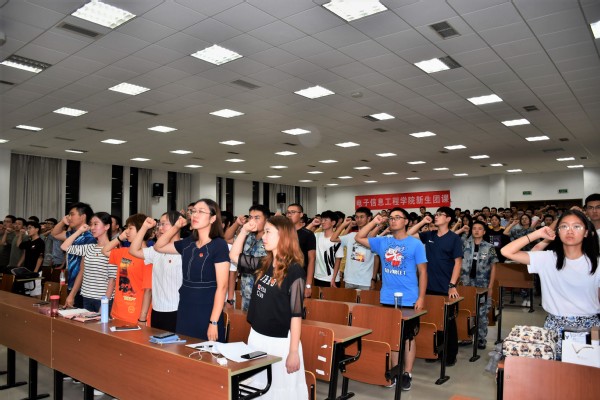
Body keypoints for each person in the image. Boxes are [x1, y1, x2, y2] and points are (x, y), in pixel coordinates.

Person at [501, 209, 600, 360]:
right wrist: (537, 234)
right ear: (558, 232)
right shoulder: (547, 259)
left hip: (589, 327)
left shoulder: (596, 263)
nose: (570, 231)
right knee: (555, 373)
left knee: (586, 373)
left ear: (586, 232)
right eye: (564, 226)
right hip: (555, 327)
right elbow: (507, 251)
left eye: (577, 226)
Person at [229, 216, 307, 399]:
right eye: (264, 232)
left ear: (283, 236)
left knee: (278, 390)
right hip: (258, 335)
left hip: (280, 341)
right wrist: (244, 230)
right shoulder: (264, 263)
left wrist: (293, 352)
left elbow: (296, 314)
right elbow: (233, 256)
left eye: (268, 232)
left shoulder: (295, 271)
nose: (263, 236)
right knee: (257, 387)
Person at [355, 207, 427, 391]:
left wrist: (421, 297)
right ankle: (395, 371)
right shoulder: (383, 241)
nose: (393, 220)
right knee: (392, 336)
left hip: (409, 298)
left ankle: (407, 373)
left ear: (406, 222)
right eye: (391, 218)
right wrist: (375, 221)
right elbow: (359, 237)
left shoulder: (416, 244)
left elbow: (423, 272)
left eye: (397, 217)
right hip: (387, 297)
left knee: (408, 337)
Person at [154, 199, 229, 341]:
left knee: (207, 351)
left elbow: (222, 287)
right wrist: (176, 226)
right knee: (184, 348)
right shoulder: (188, 243)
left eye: (201, 211)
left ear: (213, 218)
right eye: (193, 211)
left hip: (207, 307)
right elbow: (158, 246)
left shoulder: (219, 245)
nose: (195, 215)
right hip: (186, 306)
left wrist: (213, 322)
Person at [409, 207, 462, 367]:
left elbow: (457, 263)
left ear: (448, 219)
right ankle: (433, 352)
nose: (436, 216)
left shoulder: (454, 238)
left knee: (447, 323)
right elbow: (409, 234)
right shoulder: (429, 235)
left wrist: (452, 285)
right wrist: (422, 222)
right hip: (428, 286)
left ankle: (450, 355)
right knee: (430, 321)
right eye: (435, 214)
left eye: (440, 214)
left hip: (445, 287)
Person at [129, 212, 183, 332]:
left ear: (177, 225)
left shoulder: (185, 249)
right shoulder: (156, 251)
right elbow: (133, 250)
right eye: (159, 224)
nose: (160, 228)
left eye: (164, 224)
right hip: (157, 309)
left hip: (176, 309)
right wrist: (144, 227)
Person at [102, 214, 152, 325]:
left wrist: (142, 318)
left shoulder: (148, 256)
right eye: (126, 228)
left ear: (141, 230)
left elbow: (148, 290)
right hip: (118, 311)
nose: (127, 231)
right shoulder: (124, 251)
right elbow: (105, 251)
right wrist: (120, 237)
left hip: (136, 313)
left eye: (130, 228)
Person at [61, 212, 116, 312]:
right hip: (86, 297)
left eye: (96, 224)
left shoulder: (113, 250)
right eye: (91, 224)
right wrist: (79, 231)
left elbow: (112, 280)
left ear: (107, 226)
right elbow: (64, 246)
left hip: (103, 299)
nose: (92, 228)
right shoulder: (89, 248)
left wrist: (104, 304)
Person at [460, 221, 498, 349]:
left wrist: (490, 286)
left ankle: (481, 338)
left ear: (484, 232)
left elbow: (493, 267)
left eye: (480, 228)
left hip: (483, 284)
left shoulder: (490, 247)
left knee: (481, 312)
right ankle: (466, 337)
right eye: (474, 228)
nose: (476, 231)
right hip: (466, 284)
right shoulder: (465, 244)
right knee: (466, 310)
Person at [224, 205, 269, 311]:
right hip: (246, 291)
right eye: (250, 217)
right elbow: (227, 238)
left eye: (257, 218)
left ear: (266, 220)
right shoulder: (248, 236)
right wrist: (237, 223)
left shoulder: (270, 239)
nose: (252, 221)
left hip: (264, 293)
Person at [51, 202, 95, 308]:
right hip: (73, 282)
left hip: (84, 287)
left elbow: (83, 269)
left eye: (72, 214)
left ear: (83, 216)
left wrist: (72, 293)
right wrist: (63, 222)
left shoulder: (90, 237)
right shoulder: (73, 234)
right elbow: (54, 234)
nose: (69, 217)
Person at [330, 208, 378, 290]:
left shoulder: (374, 237)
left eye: (362, 217)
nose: (359, 219)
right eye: (357, 217)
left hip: (366, 280)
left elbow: (376, 259)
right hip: (349, 279)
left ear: (369, 218)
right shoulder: (351, 235)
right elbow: (333, 239)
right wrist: (344, 224)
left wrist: (373, 279)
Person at [286, 203, 316, 298]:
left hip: (300, 277)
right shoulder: (283, 232)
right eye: (288, 212)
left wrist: (308, 285)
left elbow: (311, 259)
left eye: (293, 212)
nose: (289, 215)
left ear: (301, 214)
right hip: (284, 276)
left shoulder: (308, 234)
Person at [307, 210, 341, 287]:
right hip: (317, 276)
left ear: (333, 223)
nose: (322, 222)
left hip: (331, 278)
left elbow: (338, 260)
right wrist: (312, 224)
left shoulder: (337, 239)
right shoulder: (317, 235)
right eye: (322, 220)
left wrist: (333, 278)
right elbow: (302, 234)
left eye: (326, 220)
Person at [17, 221, 45, 296]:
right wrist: (20, 235)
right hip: (27, 271)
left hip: (35, 271)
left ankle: (39, 304)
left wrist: (35, 271)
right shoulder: (28, 242)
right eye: (27, 228)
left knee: (36, 293)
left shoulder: (40, 242)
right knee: (28, 292)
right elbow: (19, 245)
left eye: (30, 228)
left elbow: (40, 257)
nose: (28, 230)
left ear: (37, 229)